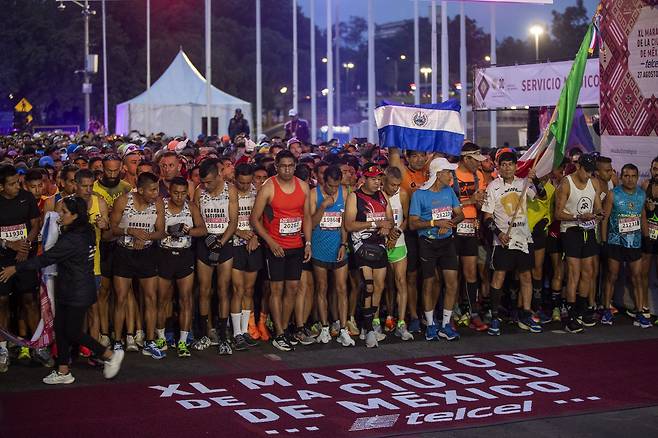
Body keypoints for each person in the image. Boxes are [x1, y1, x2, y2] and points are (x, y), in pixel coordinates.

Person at [0, 196, 124, 384]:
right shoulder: (85, 230)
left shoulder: (72, 239)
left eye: (64, 212)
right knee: (60, 328)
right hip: (71, 287)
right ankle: (63, 371)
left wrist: (15, 268)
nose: (60, 214)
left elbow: (46, 259)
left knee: (73, 332)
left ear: (75, 215)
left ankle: (109, 355)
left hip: (77, 291)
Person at [251, 150, 312, 352]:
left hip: (296, 245)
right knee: (276, 290)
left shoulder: (303, 187)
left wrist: (308, 243)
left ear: (295, 166)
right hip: (275, 247)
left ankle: (284, 328)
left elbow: (307, 218)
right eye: (283, 165)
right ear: (276, 166)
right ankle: (278, 332)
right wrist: (270, 242)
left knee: (293, 289)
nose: (287, 169)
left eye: (290, 165)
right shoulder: (268, 187)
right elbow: (255, 219)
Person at [481, 151, 543, 336]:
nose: (507, 167)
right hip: (503, 241)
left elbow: (541, 196)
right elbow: (487, 217)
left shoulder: (523, 183)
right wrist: (499, 233)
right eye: (504, 164)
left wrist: (536, 180)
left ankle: (525, 314)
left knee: (526, 277)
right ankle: (494, 316)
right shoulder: (493, 187)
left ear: (516, 166)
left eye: (511, 164)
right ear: (498, 167)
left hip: (523, 238)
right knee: (498, 277)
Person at [110, 172, 165, 358]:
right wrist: (130, 230)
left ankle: (149, 341)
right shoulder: (123, 201)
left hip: (147, 254)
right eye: (152, 189)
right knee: (121, 298)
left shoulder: (158, 204)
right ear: (140, 190)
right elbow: (112, 229)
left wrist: (145, 236)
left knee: (150, 298)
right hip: (124, 253)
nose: (156, 193)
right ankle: (118, 341)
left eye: (157, 189)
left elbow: (161, 232)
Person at [409, 157, 464, 342]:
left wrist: (449, 223)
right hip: (427, 243)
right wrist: (434, 223)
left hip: (447, 241)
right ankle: (430, 324)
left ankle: (446, 324)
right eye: (448, 172)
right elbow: (412, 223)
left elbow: (460, 215)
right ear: (438, 174)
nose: (451, 175)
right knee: (429, 283)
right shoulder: (419, 194)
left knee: (452, 282)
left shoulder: (449, 191)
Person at [344, 163, 393, 348]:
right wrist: (375, 224)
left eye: (379, 179)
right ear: (364, 179)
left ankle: (368, 324)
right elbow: (349, 225)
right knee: (369, 286)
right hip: (361, 245)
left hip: (379, 245)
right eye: (373, 179)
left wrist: (389, 226)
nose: (377, 182)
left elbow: (389, 219)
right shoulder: (354, 197)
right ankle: (369, 330)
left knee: (380, 286)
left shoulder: (383, 195)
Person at [156, 177, 205, 357]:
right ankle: (161, 337)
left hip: (184, 255)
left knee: (186, 300)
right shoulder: (161, 204)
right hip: (165, 254)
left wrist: (187, 230)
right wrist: (168, 231)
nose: (179, 196)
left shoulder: (190, 206)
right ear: (169, 191)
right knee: (163, 299)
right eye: (176, 193)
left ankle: (183, 341)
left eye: (183, 193)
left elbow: (202, 229)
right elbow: (154, 229)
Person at [554, 154, 602, 332]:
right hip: (571, 230)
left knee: (588, 272)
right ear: (578, 167)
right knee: (574, 273)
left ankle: (582, 311)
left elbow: (598, 207)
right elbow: (558, 214)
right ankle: (571, 316)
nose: (589, 175)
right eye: (586, 171)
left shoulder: (594, 182)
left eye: (591, 172)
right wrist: (578, 216)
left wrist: (598, 214)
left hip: (588, 230)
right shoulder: (566, 184)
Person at [0, 165, 41, 373]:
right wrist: (8, 244)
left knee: (29, 300)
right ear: (1, 186)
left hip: (25, 257)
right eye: (12, 184)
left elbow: (35, 223)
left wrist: (26, 245)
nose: (18, 186)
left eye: (18, 182)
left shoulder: (27, 198)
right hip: (2, 260)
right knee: (3, 302)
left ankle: (37, 347)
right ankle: (2, 349)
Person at [195, 158, 238, 355]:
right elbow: (196, 220)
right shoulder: (198, 191)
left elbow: (233, 221)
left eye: (209, 181)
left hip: (224, 243)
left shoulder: (230, 190)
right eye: (203, 182)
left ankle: (223, 335)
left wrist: (221, 242)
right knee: (204, 290)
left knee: (223, 290)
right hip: (205, 242)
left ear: (219, 175)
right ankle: (204, 333)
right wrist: (206, 238)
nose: (206, 185)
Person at [601, 164, 649, 328]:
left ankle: (640, 312)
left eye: (633, 176)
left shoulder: (641, 195)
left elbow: (642, 216)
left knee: (637, 277)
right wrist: (604, 241)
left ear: (637, 177)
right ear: (621, 177)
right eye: (626, 176)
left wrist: (646, 237)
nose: (630, 179)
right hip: (615, 242)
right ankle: (606, 310)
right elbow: (605, 218)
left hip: (634, 243)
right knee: (611, 276)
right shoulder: (613, 194)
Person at [310, 165, 353, 346]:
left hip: (339, 247)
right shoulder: (314, 194)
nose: (333, 190)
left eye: (336, 186)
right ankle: (325, 327)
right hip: (319, 246)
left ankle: (343, 329)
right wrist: (323, 207)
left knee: (342, 289)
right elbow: (310, 223)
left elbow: (345, 223)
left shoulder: (345, 193)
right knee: (322, 288)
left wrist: (343, 244)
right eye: (329, 186)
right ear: (323, 180)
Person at [93, 154, 132, 348]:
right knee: (104, 292)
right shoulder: (93, 188)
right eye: (108, 170)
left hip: (123, 244)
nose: (112, 174)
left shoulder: (127, 188)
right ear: (102, 169)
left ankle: (124, 334)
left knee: (124, 293)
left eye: (116, 170)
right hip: (103, 245)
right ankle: (104, 333)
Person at [451, 144, 489, 332]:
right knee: (451, 274)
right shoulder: (450, 175)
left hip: (471, 228)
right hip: (451, 228)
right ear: (466, 159)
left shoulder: (479, 176)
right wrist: (470, 201)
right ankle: (450, 312)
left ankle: (472, 311)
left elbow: (480, 203)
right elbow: (443, 204)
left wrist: (481, 205)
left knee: (470, 272)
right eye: (476, 161)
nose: (478, 165)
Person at [230, 164, 262, 350]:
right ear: (235, 178)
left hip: (253, 245)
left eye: (248, 182)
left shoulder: (256, 192)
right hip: (234, 246)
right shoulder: (229, 193)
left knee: (249, 290)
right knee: (237, 289)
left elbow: (261, 219)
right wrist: (239, 232)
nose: (245, 186)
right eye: (241, 182)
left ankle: (245, 331)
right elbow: (223, 220)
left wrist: (255, 237)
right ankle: (236, 333)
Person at [381, 166, 414, 341]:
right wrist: (387, 236)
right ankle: (385, 317)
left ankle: (401, 322)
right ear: (384, 181)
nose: (395, 188)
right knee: (384, 284)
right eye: (392, 185)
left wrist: (398, 233)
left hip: (399, 244)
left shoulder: (402, 194)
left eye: (397, 185)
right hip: (381, 244)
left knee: (401, 281)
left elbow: (407, 218)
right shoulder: (378, 194)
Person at [640, 156, 658, 324]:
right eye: (654, 169)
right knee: (643, 273)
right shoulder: (645, 185)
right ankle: (644, 306)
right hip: (648, 235)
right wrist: (647, 206)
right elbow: (640, 210)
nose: (656, 173)